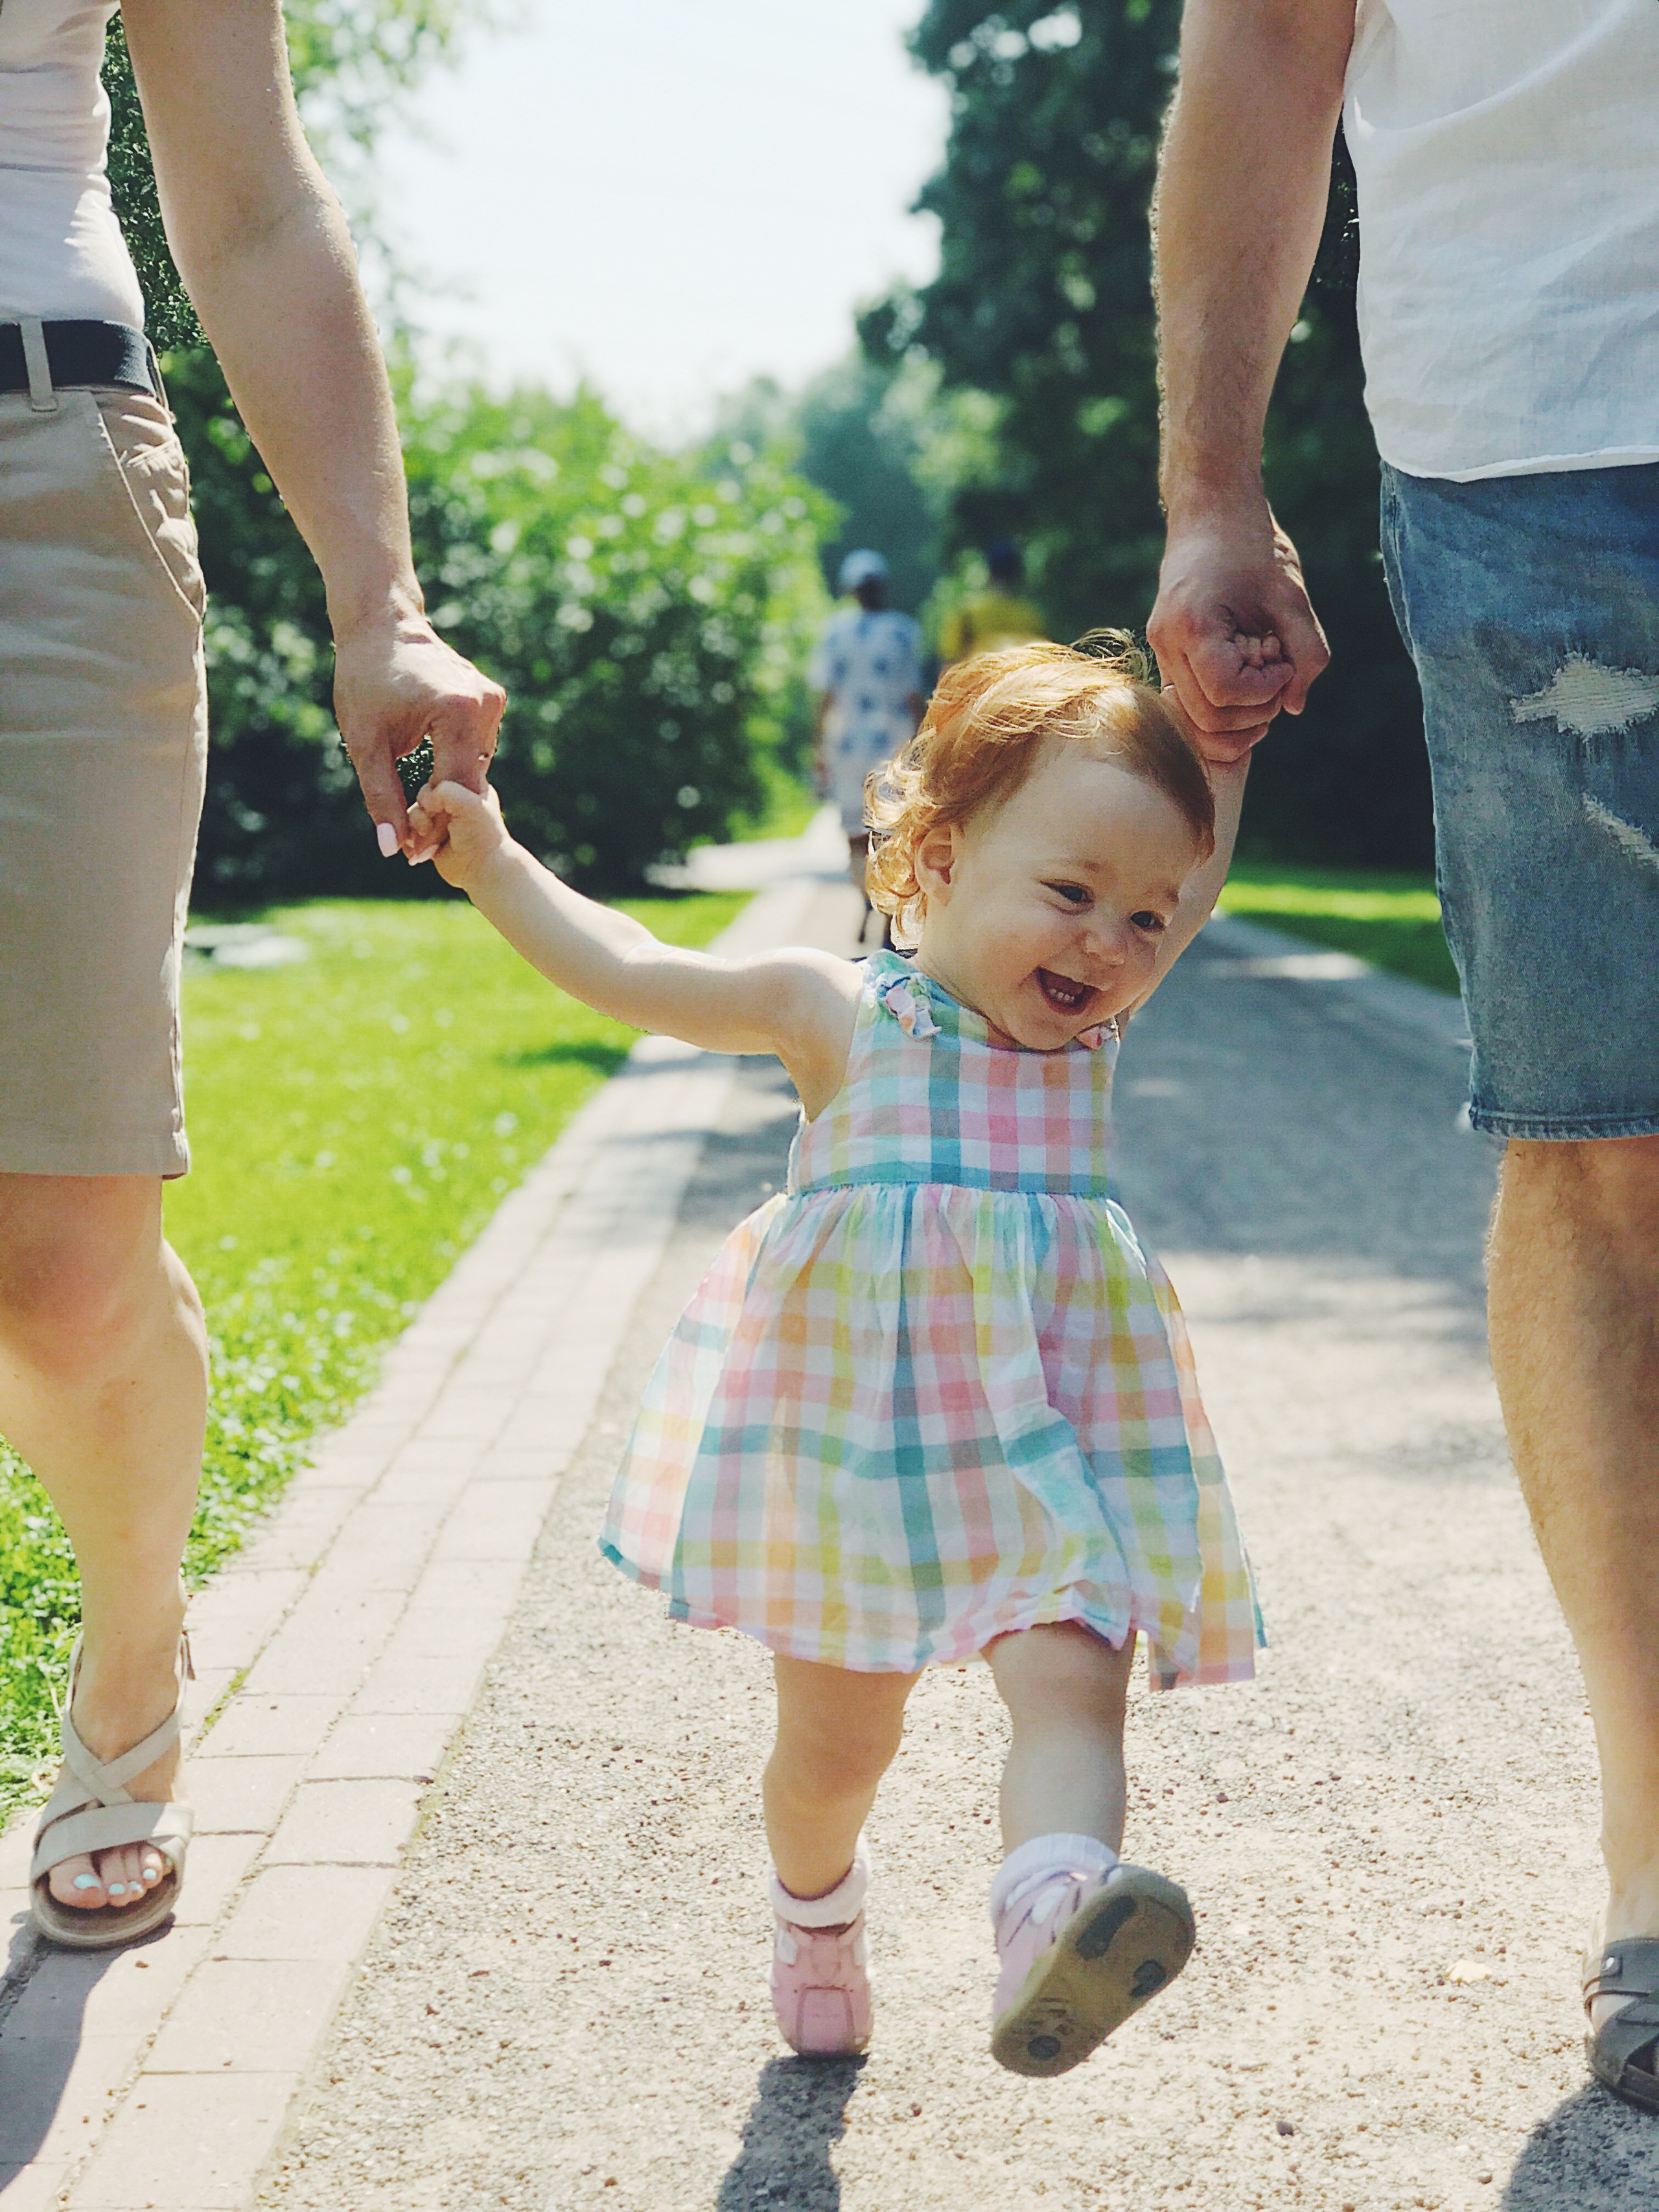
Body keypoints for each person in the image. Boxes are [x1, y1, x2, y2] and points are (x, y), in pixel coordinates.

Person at [409, 640, 1260, 2077]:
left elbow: (1198, 863)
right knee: (832, 1755)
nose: (1109, 942)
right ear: (927, 858)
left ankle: (1052, 1905)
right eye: (1068, 895)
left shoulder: (1090, 1036)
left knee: (1075, 1671)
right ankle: (816, 1908)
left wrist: (1223, 745)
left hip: (1041, 1444)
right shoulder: (840, 1014)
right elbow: (633, 965)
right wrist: (488, 854)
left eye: (1142, 917)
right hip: (865, 1460)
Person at [1146, 0, 1659, 2113]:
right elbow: (1270, 36)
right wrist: (1209, 489)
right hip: (1537, 425)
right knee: (1611, 1150)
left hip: (1522, 431)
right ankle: (1658, 1862)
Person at [3, 0, 505, 1947]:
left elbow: (253, 202)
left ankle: (127, 1681)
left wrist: (376, 603)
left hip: (44, 473)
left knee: (56, 1268)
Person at [809, 549, 924, 934]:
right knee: (891, 829)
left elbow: (825, 695)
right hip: (892, 745)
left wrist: (817, 747)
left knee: (855, 834)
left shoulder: (835, 632)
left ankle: (865, 900)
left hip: (845, 745)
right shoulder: (904, 631)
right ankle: (889, 913)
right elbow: (913, 695)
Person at [937, 539, 1048, 665]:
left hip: (978, 681)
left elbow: (950, 658)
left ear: (989, 573)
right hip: (1023, 681)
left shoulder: (968, 611)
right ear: (1019, 575)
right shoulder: (1032, 615)